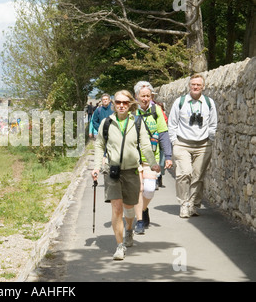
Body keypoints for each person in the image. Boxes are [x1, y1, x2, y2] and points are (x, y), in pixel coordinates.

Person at [91, 90, 160, 260]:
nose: (121, 105)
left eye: (125, 103)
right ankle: (119, 246)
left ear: (130, 105)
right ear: (114, 104)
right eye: (118, 102)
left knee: (129, 207)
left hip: (132, 171)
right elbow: (99, 145)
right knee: (116, 208)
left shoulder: (137, 122)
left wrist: (152, 163)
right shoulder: (106, 123)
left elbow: (145, 145)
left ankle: (129, 229)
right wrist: (96, 167)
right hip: (112, 171)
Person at [168, 74, 217, 218]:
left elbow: (213, 123)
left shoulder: (209, 103)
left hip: (203, 145)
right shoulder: (180, 102)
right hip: (182, 143)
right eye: (193, 84)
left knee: (198, 176)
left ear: (203, 87)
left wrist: (210, 139)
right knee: (184, 173)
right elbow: (172, 123)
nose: (195, 87)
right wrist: (174, 141)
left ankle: (194, 205)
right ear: (189, 85)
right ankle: (184, 204)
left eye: (198, 85)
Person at [133, 81, 173, 234]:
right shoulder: (131, 111)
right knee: (139, 188)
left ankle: (143, 209)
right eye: (142, 96)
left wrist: (168, 156)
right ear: (137, 96)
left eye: (148, 96)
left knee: (149, 189)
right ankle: (140, 221)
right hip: (134, 158)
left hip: (152, 158)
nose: (145, 99)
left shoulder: (156, 110)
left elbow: (163, 134)